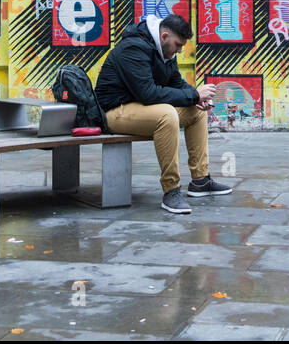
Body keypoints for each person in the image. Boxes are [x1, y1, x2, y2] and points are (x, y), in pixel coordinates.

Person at [93, 13, 232, 214]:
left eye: (182, 46)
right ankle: (171, 190)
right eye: (178, 45)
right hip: (115, 111)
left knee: (197, 111)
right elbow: (148, 93)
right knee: (167, 115)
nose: (180, 50)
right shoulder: (133, 48)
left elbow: (176, 83)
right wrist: (193, 94)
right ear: (164, 36)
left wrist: (197, 98)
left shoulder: (165, 51)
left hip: (140, 108)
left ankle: (200, 181)